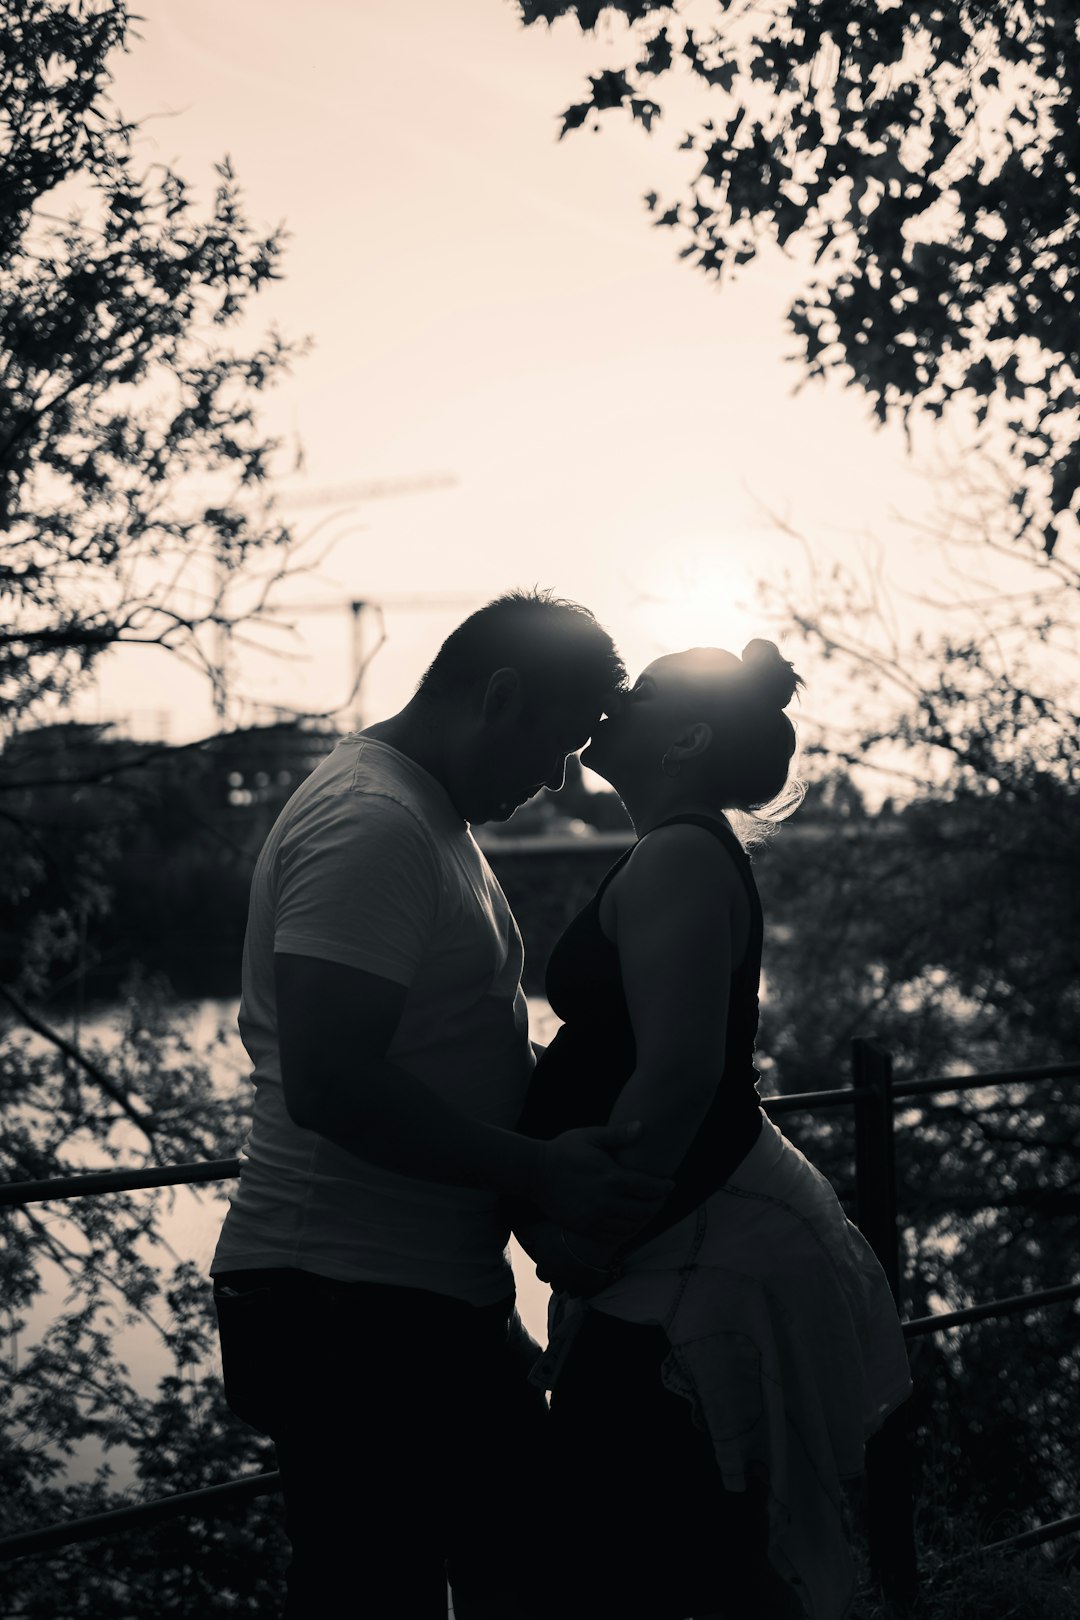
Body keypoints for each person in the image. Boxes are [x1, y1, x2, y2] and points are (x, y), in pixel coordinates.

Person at [209, 588, 673, 1620]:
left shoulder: (421, 814)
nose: (558, 778)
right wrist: (539, 1168)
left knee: (526, 1572)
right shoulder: (372, 822)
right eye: (554, 744)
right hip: (345, 1305)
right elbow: (329, 1081)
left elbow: (436, 1043)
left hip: (405, 1300)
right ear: (498, 696)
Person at [513, 640, 914, 1620]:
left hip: (683, 1254)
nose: (611, 703)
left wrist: (590, 1232)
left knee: (641, 1552)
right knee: (709, 1555)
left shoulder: (681, 856)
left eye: (638, 696)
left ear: (685, 738)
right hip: (682, 1240)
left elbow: (685, 1072)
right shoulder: (680, 850)